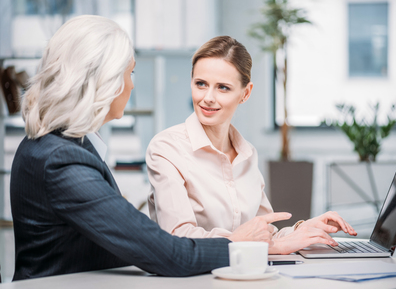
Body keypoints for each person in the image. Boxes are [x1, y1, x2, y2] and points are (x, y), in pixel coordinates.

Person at [10, 16, 290, 281]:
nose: (132, 85)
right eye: (129, 73)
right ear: (105, 82)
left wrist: (289, 235)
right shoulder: (62, 160)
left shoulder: (64, 147)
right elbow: (169, 254)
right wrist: (236, 244)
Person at [146, 36, 357, 254]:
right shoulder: (167, 148)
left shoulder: (247, 154)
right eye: (201, 84)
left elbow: (265, 235)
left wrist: (303, 229)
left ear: (245, 93)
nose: (208, 97)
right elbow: (177, 238)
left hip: (246, 275)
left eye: (223, 88)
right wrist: (245, 242)